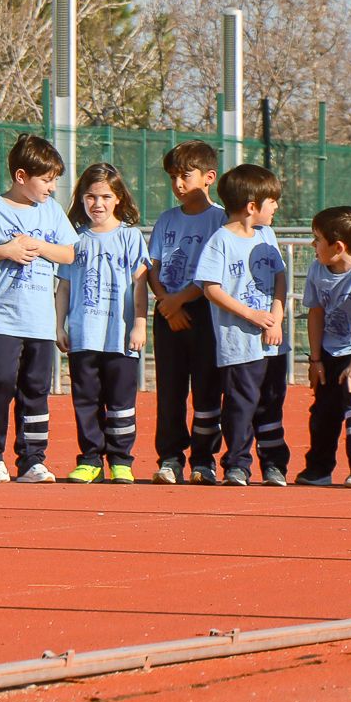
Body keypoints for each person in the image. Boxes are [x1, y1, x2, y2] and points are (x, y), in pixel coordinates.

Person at [0, 134, 76, 484]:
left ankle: (32, 459)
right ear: (21, 176)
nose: (52, 187)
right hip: (2, 318)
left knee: (36, 388)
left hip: (39, 321)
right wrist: (5, 250)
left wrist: (40, 247)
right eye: (46, 179)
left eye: (55, 179)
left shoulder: (52, 212)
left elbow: (68, 254)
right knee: (0, 383)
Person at [191, 163, 289, 487]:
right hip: (239, 344)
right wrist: (252, 315)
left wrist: (275, 316)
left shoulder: (267, 234)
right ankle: (237, 464)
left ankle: (274, 464)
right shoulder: (221, 240)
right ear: (251, 207)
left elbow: (279, 277)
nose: (276, 206)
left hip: (271, 341)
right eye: (271, 201)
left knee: (272, 404)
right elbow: (210, 287)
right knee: (240, 405)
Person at [55, 162, 149, 484]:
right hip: (84, 336)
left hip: (120, 337)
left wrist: (139, 323)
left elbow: (140, 285)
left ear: (119, 198)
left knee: (121, 402)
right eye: (91, 197)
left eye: (106, 197)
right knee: (86, 399)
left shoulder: (131, 238)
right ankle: (91, 459)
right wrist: (59, 326)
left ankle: (121, 459)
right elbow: (64, 286)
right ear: (82, 198)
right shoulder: (73, 240)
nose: (98, 204)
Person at [146, 139, 225, 485]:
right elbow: (153, 267)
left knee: (207, 389)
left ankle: (204, 459)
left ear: (208, 177)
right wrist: (166, 302)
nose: (178, 185)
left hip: (205, 312)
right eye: (172, 177)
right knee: (170, 390)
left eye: (185, 176)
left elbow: (215, 274)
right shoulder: (166, 220)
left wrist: (181, 300)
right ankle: (170, 458)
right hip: (167, 314)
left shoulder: (220, 219)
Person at [296, 206, 351, 489]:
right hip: (329, 350)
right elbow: (315, 313)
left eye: (317, 239)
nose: (313, 245)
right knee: (323, 409)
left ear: (338, 247)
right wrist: (315, 360)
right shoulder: (317, 268)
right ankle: (318, 469)